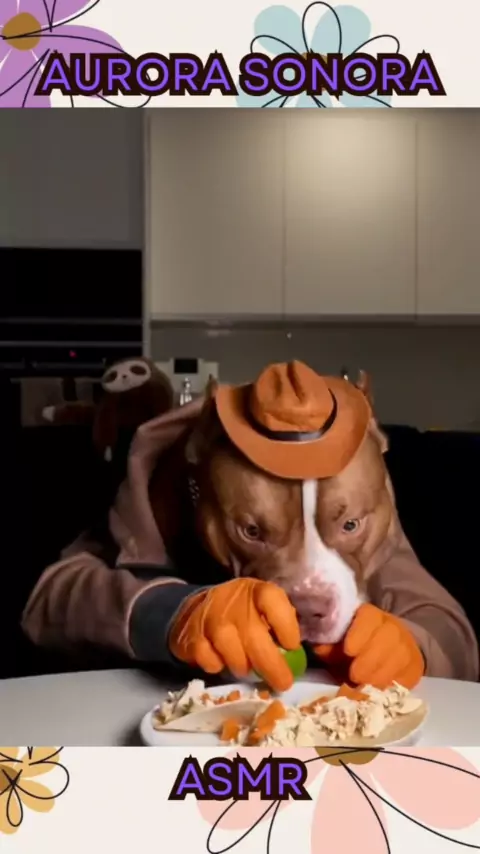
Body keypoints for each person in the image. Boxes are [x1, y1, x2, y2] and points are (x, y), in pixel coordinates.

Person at [22, 361, 479, 692]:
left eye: (349, 526)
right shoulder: (165, 485)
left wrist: (414, 649)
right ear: (198, 478)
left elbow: (453, 636)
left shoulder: (356, 492)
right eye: (254, 532)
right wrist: (174, 613)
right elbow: (46, 603)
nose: (307, 592)